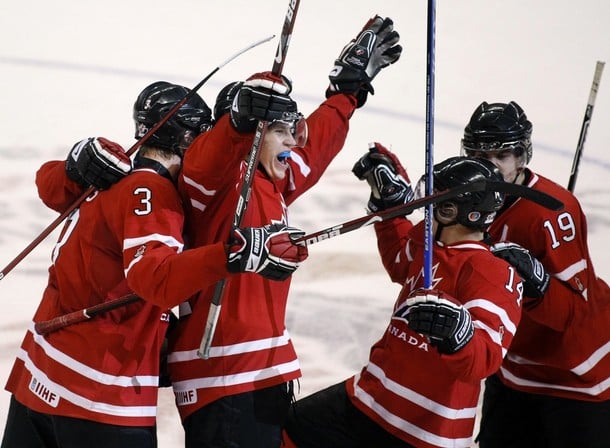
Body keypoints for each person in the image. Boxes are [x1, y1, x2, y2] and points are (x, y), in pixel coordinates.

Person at [1, 81, 307, 448]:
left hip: (37, 380)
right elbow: (155, 278)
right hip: (100, 396)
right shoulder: (152, 191)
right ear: (188, 140)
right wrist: (233, 255)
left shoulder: (106, 174)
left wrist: (72, 163)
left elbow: (49, 183)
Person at [166, 15, 402, 448]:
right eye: (279, 130)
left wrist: (346, 93)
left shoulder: (272, 182)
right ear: (248, 134)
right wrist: (242, 116)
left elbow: (313, 147)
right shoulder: (216, 184)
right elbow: (209, 158)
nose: (292, 142)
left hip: (258, 377)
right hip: (224, 378)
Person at [281, 148, 524, 448]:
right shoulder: (428, 239)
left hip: (427, 432)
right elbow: (399, 260)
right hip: (371, 397)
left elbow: (484, 359)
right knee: (290, 430)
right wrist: (389, 209)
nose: (428, 204)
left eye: (438, 200)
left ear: (457, 212)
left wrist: (458, 335)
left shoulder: (491, 273)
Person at [459, 101, 610, 448]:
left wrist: (538, 283)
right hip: (512, 370)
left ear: (522, 156)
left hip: (576, 375)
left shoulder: (551, 213)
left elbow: (574, 314)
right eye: (478, 153)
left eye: (500, 156)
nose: (487, 165)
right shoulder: (465, 201)